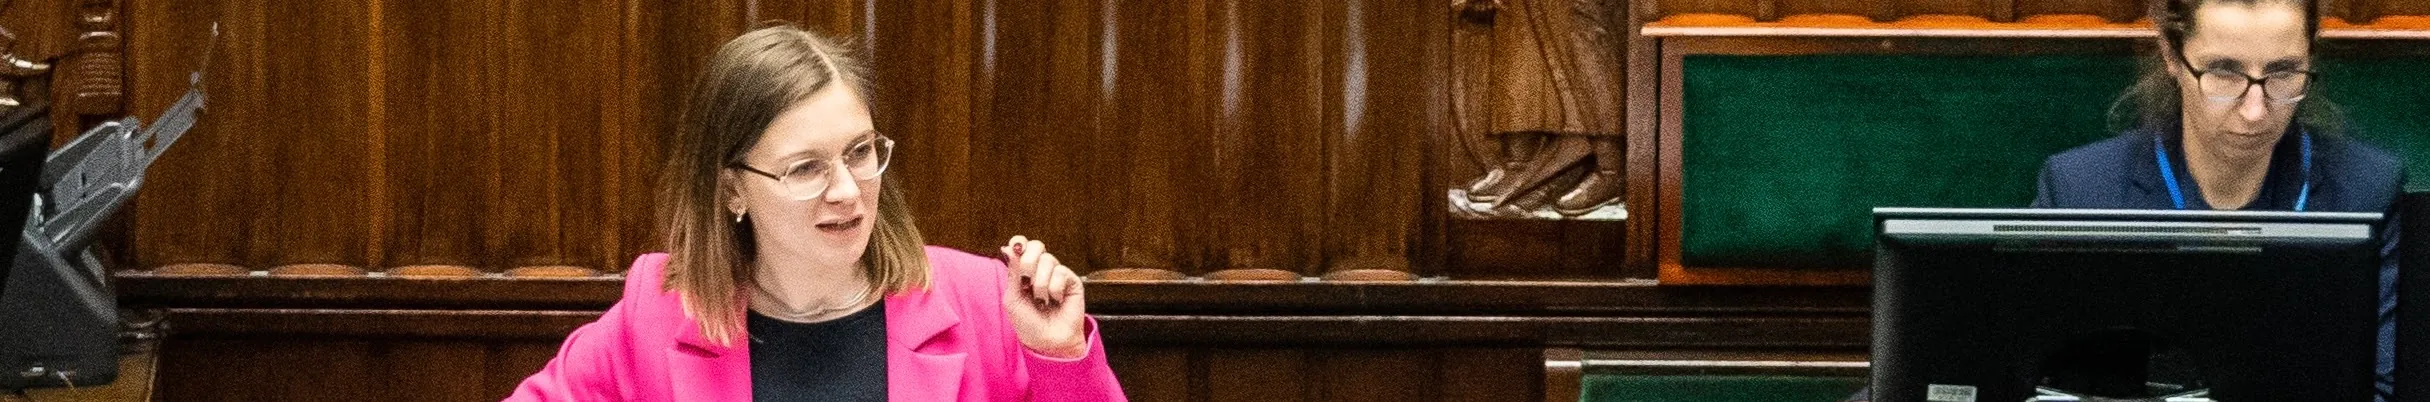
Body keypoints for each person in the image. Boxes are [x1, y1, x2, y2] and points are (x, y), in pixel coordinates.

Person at [505, 25, 1126, 401]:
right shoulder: (657, 315)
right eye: (805, 168)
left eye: (859, 152)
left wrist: (1060, 356)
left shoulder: (986, 302)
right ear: (732, 190)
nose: (848, 191)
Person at [1857, 0, 2405, 400]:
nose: (2256, 110)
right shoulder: (2081, 188)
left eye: (2283, 73)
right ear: (2171, 55)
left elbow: (2386, 385)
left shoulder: (2367, 188)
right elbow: (1999, 361)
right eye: (2224, 72)